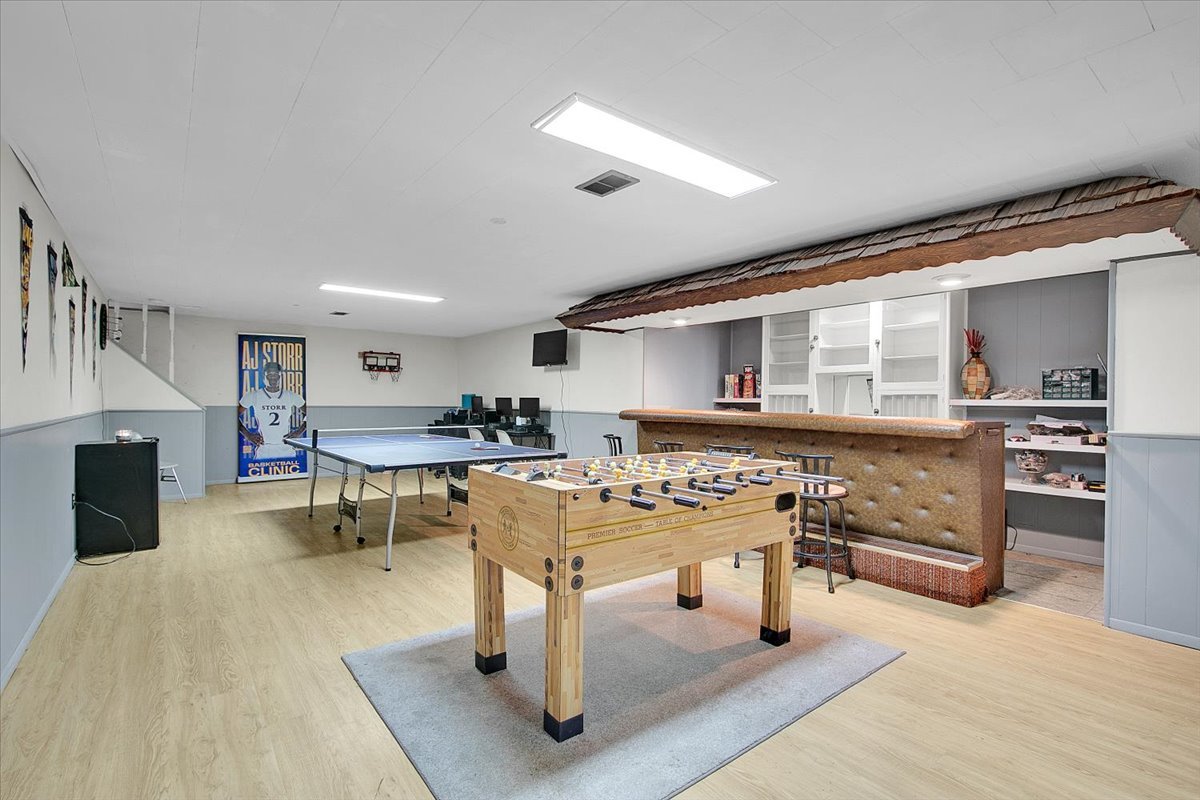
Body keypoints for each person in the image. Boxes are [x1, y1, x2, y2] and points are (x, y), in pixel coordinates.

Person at [238, 361, 306, 460]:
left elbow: (310, 413)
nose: (273, 377)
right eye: (269, 374)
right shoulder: (254, 395)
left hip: (286, 447)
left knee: (290, 475)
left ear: (280, 376)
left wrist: (299, 432)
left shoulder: (290, 395)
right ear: (264, 376)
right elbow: (233, 416)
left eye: (276, 374)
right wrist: (248, 435)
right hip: (264, 448)